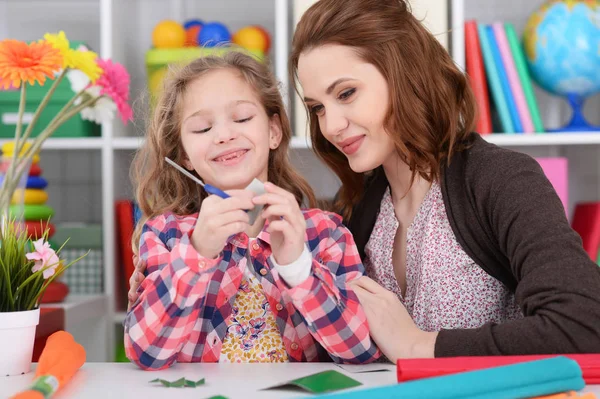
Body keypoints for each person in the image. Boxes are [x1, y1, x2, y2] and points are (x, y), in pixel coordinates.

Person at [288, 0, 600, 360]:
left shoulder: (502, 179)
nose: (330, 126)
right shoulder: (356, 204)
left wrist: (418, 345)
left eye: (346, 94)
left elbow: (583, 324)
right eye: (318, 108)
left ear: (404, 74)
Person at [124, 51, 380, 370]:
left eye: (242, 119)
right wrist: (196, 254)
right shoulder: (166, 234)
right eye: (202, 128)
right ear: (185, 156)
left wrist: (298, 267)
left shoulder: (325, 233)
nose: (224, 135)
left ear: (273, 132)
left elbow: (361, 353)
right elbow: (146, 353)